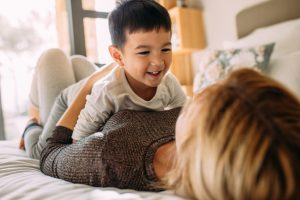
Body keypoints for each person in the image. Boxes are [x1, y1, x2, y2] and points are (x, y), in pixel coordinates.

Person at [39, 67, 300, 199]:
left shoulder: (111, 156)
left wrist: (90, 84)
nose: (199, 93)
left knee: (54, 61)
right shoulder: (193, 141)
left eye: (206, 99)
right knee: (76, 63)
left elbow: (50, 152)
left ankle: (31, 120)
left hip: (67, 114)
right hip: (99, 103)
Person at [19, 0, 186, 156]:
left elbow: (187, 118)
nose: (158, 62)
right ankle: (30, 124)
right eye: (144, 52)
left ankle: (75, 68)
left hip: (92, 86)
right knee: (38, 153)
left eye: (165, 49)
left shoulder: (169, 84)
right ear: (117, 56)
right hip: (70, 100)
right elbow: (78, 144)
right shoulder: (108, 92)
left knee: (78, 62)